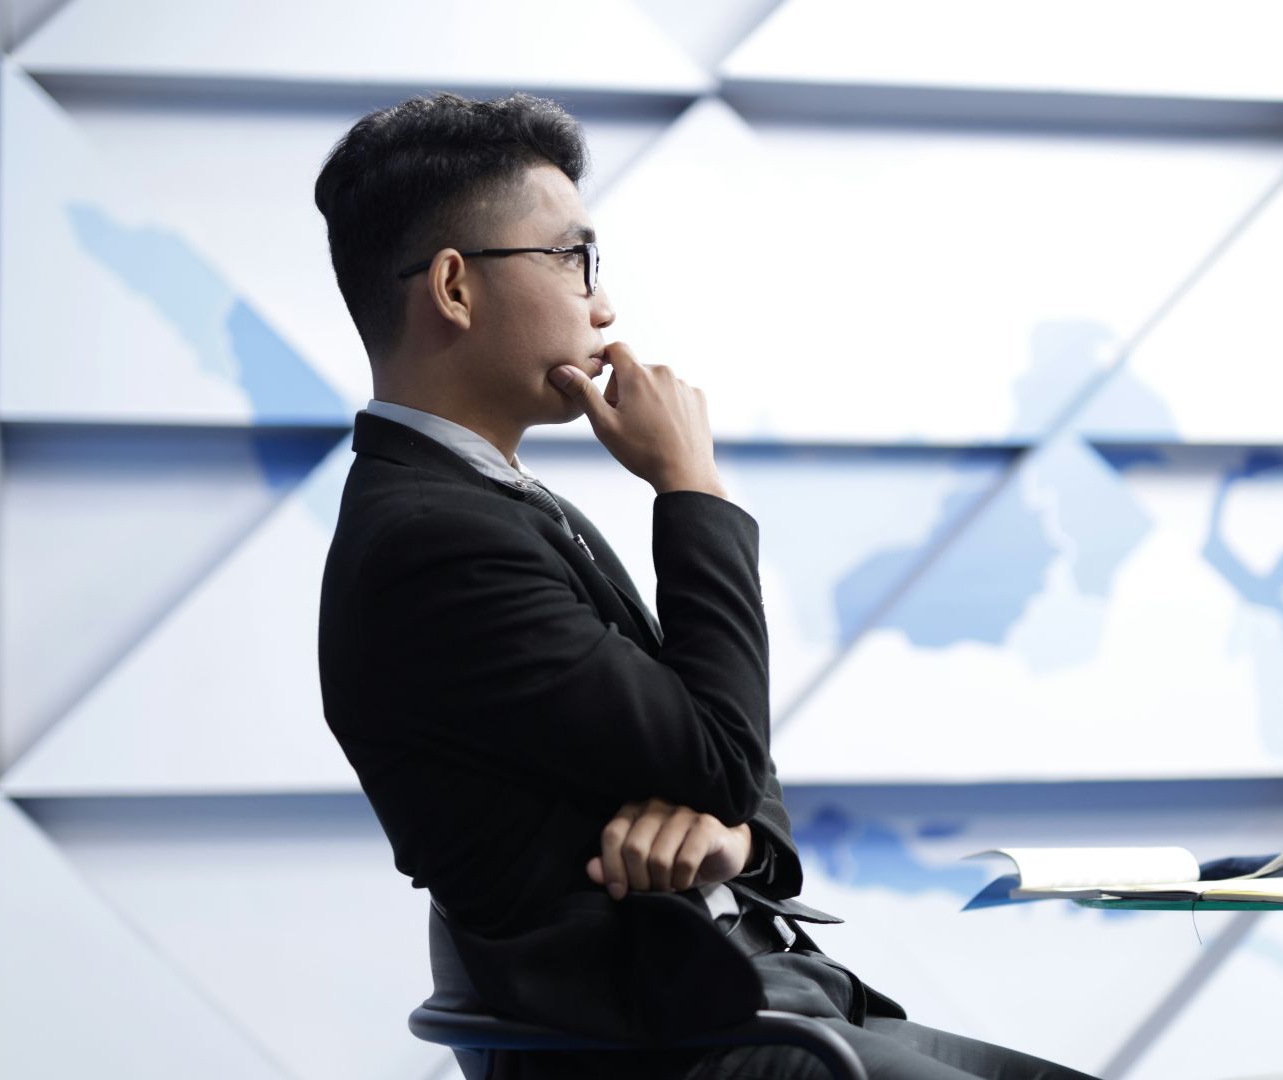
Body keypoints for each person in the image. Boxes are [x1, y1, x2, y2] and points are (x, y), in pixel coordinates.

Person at [313, 91, 1095, 1080]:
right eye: (571, 259)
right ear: (456, 289)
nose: (603, 305)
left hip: (757, 1001)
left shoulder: (487, 506)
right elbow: (726, 750)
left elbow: (730, 773)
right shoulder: (436, 545)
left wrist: (731, 841)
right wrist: (690, 482)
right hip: (672, 1050)